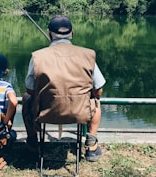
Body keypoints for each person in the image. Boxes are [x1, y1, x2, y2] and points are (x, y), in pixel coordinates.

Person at [22, 15, 106, 162]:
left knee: (26, 98)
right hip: (80, 113)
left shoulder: (37, 57)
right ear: (72, 33)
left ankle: (33, 144)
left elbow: (30, 90)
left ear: (49, 34)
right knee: (96, 102)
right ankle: (91, 147)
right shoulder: (88, 55)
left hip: (45, 112)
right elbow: (98, 90)